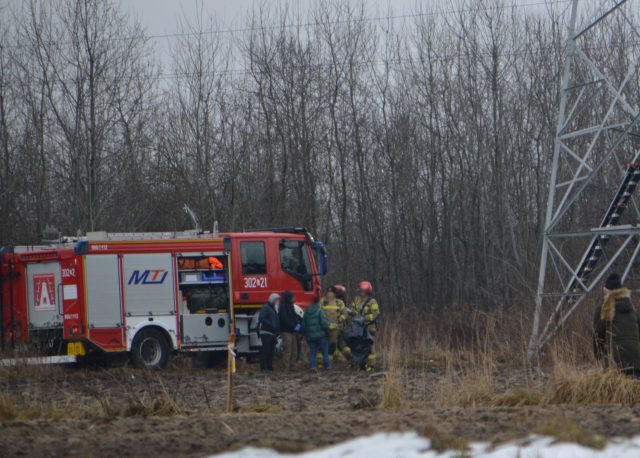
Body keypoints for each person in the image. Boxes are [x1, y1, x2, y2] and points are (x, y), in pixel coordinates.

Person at [593, 273, 640, 377]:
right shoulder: (633, 309)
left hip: (615, 364)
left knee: (612, 391)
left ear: (606, 291)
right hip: (637, 362)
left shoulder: (603, 309)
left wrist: (597, 356)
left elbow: (597, 337)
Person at [348, 281, 380, 371]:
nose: (360, 292)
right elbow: (353, 311)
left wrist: (365, 318)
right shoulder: (356, 299)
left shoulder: (372, 301)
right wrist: (349, 312)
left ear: (366, 291)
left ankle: (371, 366)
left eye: (362, 290)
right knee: (360, 347)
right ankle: (361, 365)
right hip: (358, 328)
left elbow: (376, 313)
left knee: (370, 347)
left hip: (369, 327)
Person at [302, 297, 332, 370]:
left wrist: (306, 334)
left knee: (313, 353)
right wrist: (328, 328)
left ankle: (312, 367)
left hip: (311, 336)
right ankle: (328, 366)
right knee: (325, 352)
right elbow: (323, 323)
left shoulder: (306, 312)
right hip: (321, 335)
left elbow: (303, 325)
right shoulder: (320, 311)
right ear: (318, 302)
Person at [320, 286, 348, 360]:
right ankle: (321, 362)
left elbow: (345, 313)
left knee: (333, 344)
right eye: (328, 292)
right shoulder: (322, 301)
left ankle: (330, 361)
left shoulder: (339, 302)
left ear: (335, 293)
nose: (330, 294)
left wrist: (340, 320)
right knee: (322, 344)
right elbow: (318, 312)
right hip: (324, 327)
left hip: (335, 328)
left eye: (331, 292)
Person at [278, 290, 302, 371]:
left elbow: (294, 316)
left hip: (292, 330)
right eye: (293, 297)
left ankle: (293, 366)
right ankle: (285, 367)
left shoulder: (291, 305)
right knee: (288, 349)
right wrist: (293, 326)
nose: (294, 298)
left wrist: (297, 324)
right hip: (286, 330)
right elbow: (284, 319)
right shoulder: (282, 307)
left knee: (294, 349)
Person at [258, 293, 281, 371]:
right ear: (273, 300)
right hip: (266, 332)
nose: (278, 301)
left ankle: (269, 367)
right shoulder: (266, 308)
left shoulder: (273, 308)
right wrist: (270, 324)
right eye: (276, 300)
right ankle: (264, 367)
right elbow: (261, 318)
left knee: (271, 351)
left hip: (272, 333)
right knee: (266, 350)